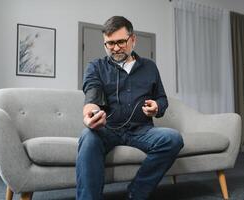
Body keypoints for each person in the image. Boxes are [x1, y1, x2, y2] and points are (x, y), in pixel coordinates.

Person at [76, 16, 184, 200]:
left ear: (133, 39)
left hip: (141, 130)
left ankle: (137, 192)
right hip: (107, 129)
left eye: (120, 42)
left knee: (173, 139)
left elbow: (162, 98)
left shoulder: (150, 67)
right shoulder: (96, 67)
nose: (115, 48)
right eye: (109, 43)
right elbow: (92, 96)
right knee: (87, 136)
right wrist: (89, 117)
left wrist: (157, 106)